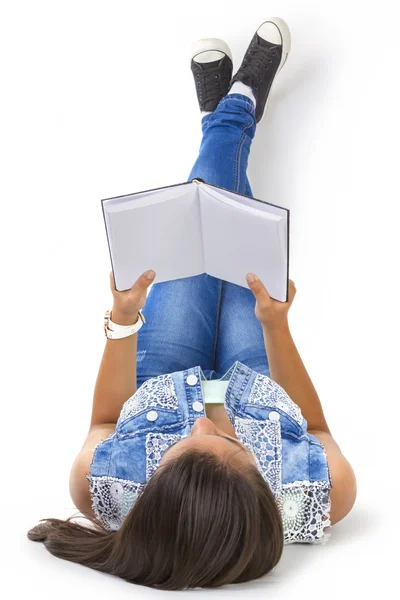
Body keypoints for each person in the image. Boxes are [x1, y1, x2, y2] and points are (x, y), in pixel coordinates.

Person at [28, 17, 357, 590]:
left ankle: (229, 116)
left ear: (151, 494)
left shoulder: (103, 484)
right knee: (232, 228)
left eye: (186, 443)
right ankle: (231, 115)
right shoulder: (319, 495)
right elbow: (317, 427)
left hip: (161, 370)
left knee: (199, 213)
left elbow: (106, 419)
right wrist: (276, 326)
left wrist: (124, 320)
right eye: (232, 442)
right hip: (259, 372)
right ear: (265, 494)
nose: (207, 421)